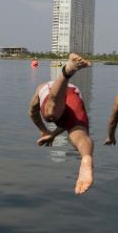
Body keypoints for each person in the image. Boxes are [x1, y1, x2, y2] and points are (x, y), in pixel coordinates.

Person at [28, 53, 93, 195]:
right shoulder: (62, 115)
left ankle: (66, 72)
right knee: (79, 135)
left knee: (50, 113)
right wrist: (52, 135)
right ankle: (86, 157)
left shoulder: (41, 87)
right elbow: (65, 124)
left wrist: (43, 130)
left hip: (60, 91)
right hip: (74, 96)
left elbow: (32, 112)